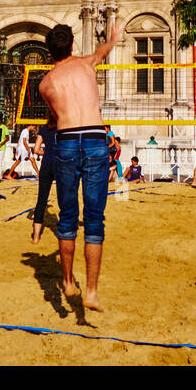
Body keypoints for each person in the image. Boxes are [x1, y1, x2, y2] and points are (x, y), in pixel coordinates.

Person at [37, 19, 124, 312]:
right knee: (95, 219)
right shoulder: (87, 65)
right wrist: (113, 39)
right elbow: (103, 51)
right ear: (72, 45)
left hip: (67, 141)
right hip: (95, 139)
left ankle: (67, 280)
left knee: (67, 216)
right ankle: (91, 291)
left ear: (50, 51)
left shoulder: (46, 83)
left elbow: (53, 118)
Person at [31, 114, 58, 243]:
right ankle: (63, 234)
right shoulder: (64, 128)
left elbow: (36, 150)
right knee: (64, 201)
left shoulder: (44, 128)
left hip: (46, 165)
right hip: (60, 165)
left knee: (41, 201)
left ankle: (36, 237)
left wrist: (46, 152)